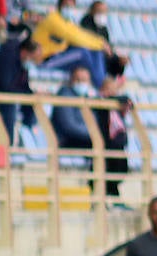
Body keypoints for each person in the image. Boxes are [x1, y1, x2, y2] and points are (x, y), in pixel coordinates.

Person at [32, 0, 111, 88]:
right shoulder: (52, 19)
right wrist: (101, 44)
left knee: (96, 51)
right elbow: (75, 37)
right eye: (66, 6)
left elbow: (79, 33)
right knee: (83, 53)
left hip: (56, 56)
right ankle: (101, 86)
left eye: (71, 6)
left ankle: (103, 82)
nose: (69, 8)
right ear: (60, 6)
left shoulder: (66, 21)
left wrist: (101, 43)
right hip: (44, 60)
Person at [92, 73, 131, 205]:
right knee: (104, 171)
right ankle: (101, 200)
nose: (112, 92)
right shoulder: (100, 102)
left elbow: (128, 101)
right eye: (109, 89)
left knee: (119, 170)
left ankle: (114, 198)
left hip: (117, 144)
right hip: (105, 144)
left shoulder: (118, 103)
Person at [48, 64, 95, 154]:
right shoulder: (64, 95)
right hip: (68, 142)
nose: (81, 83)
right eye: (78, 79)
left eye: (84, 80)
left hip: (85, 140)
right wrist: (93, 134)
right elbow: (69, 126)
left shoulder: (89, 97)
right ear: (71, 80)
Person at [78, 1, 127, 80]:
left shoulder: (103, 29)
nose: (102, 14)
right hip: (88, 66)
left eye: (104, 12)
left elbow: (109, 52)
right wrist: (101, 45)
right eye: (99, 11)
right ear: (92, 11)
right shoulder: (85, 24)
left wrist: (119, 61)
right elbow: (88, 42)